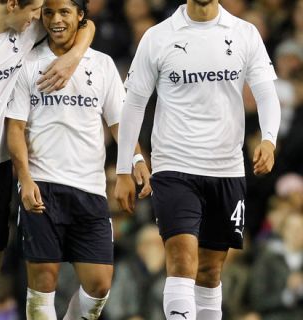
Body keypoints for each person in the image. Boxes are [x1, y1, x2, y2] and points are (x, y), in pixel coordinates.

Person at [115, 1, 281, 320]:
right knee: (181, 259)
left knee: (209, 270)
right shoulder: (158, 36)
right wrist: (125, 167)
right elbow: (134, 104)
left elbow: (266, 93)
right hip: (174, 166)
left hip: (226, 168)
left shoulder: (244, 33)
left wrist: (269, 139)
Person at [0, 0, 95, 318]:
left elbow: (85, 25)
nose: (39, 17)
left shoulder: (26, 26)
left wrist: (72, 58)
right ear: (12, 4)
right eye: (34, 9)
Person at [6, 0, 147, 318]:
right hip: (43, 183)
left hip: (90, 188)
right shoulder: (28, 64)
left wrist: (134, 160)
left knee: (99, 286)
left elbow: (119, 122)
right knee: (43, 281)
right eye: (49, 13)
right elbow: (15, 128)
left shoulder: (102, 64)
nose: (56, 20)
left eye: (64, 12)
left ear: (81, 16)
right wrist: (25, 178)